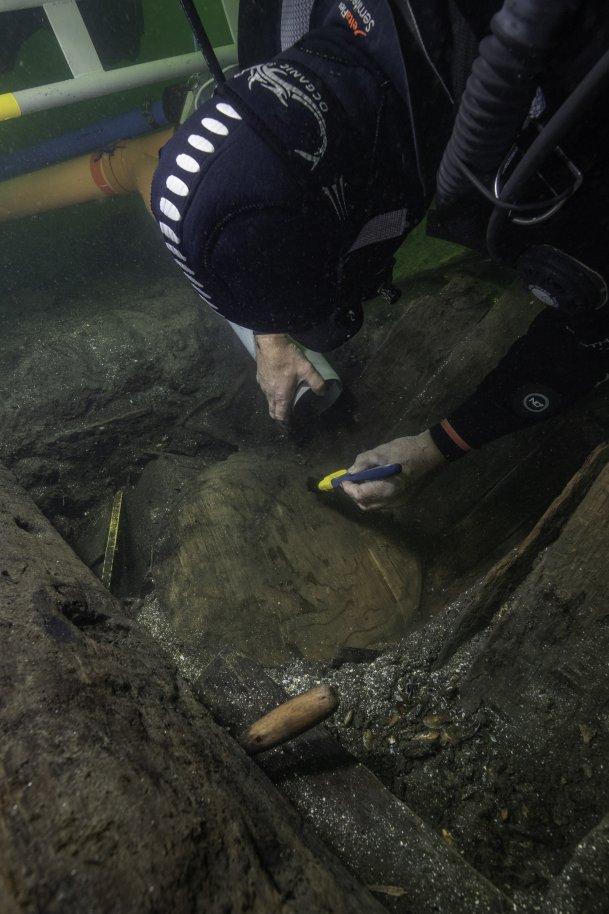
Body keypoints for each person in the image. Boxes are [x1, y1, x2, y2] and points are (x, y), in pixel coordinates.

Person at [151, 0, 609, 511]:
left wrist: (434, 448)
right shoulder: (285, 22)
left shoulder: (553, 167)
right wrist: (270, 334)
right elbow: (267, 176)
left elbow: (592, 336)